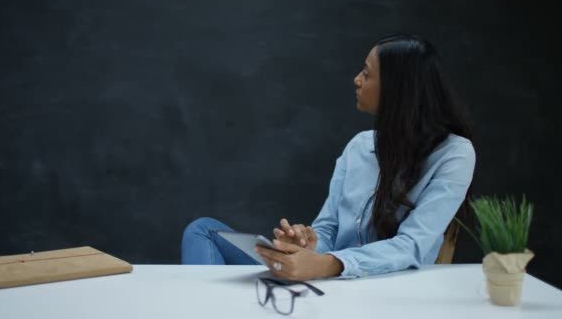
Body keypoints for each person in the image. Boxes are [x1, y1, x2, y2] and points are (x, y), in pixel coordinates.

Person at [181, 34, 476, 281]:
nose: (356, 80)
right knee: (202, 230)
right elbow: (328, 229)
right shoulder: (359, 147)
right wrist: (307, 242)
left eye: (367, 73)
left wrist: (328, 264)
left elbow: (411, 246)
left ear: (399, 89)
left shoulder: (454, 154)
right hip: (327, 280)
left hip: (382, 290)